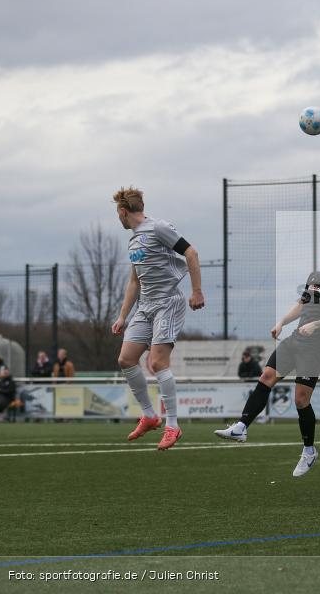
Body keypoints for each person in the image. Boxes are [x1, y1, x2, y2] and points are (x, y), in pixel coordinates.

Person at [214, 239, 320, 478]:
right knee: (266, 377)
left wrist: (316, 325)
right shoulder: (314, 276)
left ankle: (309, 451)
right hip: (294, 340)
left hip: (315, 348)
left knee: (301, 400)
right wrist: (281, 322)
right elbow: (301, 305)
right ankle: (241, 426)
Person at [110, 187, 205, 450]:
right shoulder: (133, 241)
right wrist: (122, 316)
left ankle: (172, 425)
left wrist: (197, 291)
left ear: (123, 211)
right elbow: (134, 281)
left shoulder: (158, 228)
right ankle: (150, 416)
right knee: (126, 359)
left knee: (157, 363)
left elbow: (191, 252)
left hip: (168, 303)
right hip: (145, 307)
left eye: (117, 214)